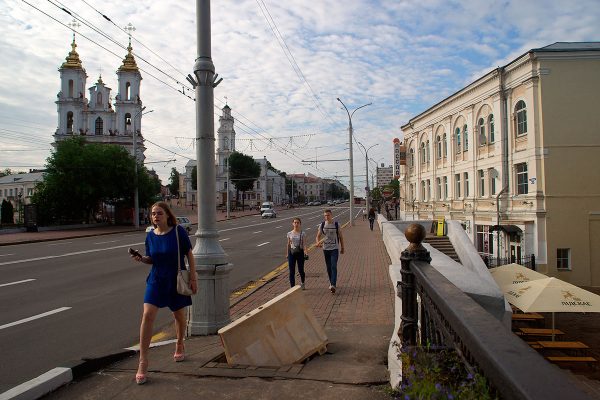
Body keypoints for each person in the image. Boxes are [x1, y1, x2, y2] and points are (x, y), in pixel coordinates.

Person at [130, 201, 197, 385]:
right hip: (156, 280)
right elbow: (151, 258)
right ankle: (143, 361)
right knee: (147, 315)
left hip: (175, 279)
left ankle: (180, 342)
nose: (155, 216)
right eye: (153, 213)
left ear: (167, 215)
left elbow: (189, 253)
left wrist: (193, 277)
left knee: (179, 316)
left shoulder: (178, 231)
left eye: (159, 213)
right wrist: (141, 259)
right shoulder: (150, 236)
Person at [316, 209, 344, 294]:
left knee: (333, 266)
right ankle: (331, 282)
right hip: (326, 249)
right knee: (328, 267)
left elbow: (341, 237)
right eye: (325, 215)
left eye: (328, 215)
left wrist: (342, 247)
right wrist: (318, 242)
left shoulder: (336, 224)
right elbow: (318, 236)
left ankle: (333, 285)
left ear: (331, 215)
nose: (326, 217)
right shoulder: (322, 225)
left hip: (334, 249)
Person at [286, 217, 306, 289]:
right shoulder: (289, 233)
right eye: (295, 222)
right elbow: (288, 244)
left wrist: (305, 252)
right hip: (291, 253)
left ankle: (303, 282)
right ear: (292, 224)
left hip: (300, 253)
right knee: (291, 271)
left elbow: (304, 244)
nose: (296, 224)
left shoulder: (302, 233)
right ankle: (292, 287)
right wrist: (287, 253)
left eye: (298, 223)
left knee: (301, 270)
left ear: (300, 224)